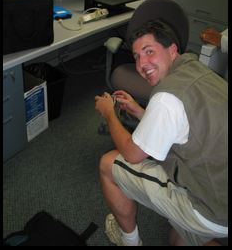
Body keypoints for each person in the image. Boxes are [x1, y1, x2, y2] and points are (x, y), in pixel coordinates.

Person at [95, 19, 228, 246]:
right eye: (137, 56)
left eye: (149, 52)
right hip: (221, 186)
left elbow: (132, 154)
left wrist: (110, 114)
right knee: (177, 238)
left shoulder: (166, 98)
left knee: (108, 164)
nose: (141, 64)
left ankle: (129, 241)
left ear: (172, 50)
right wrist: (140, 111)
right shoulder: (199, 71)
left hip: (213, 208)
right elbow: (180, 122)